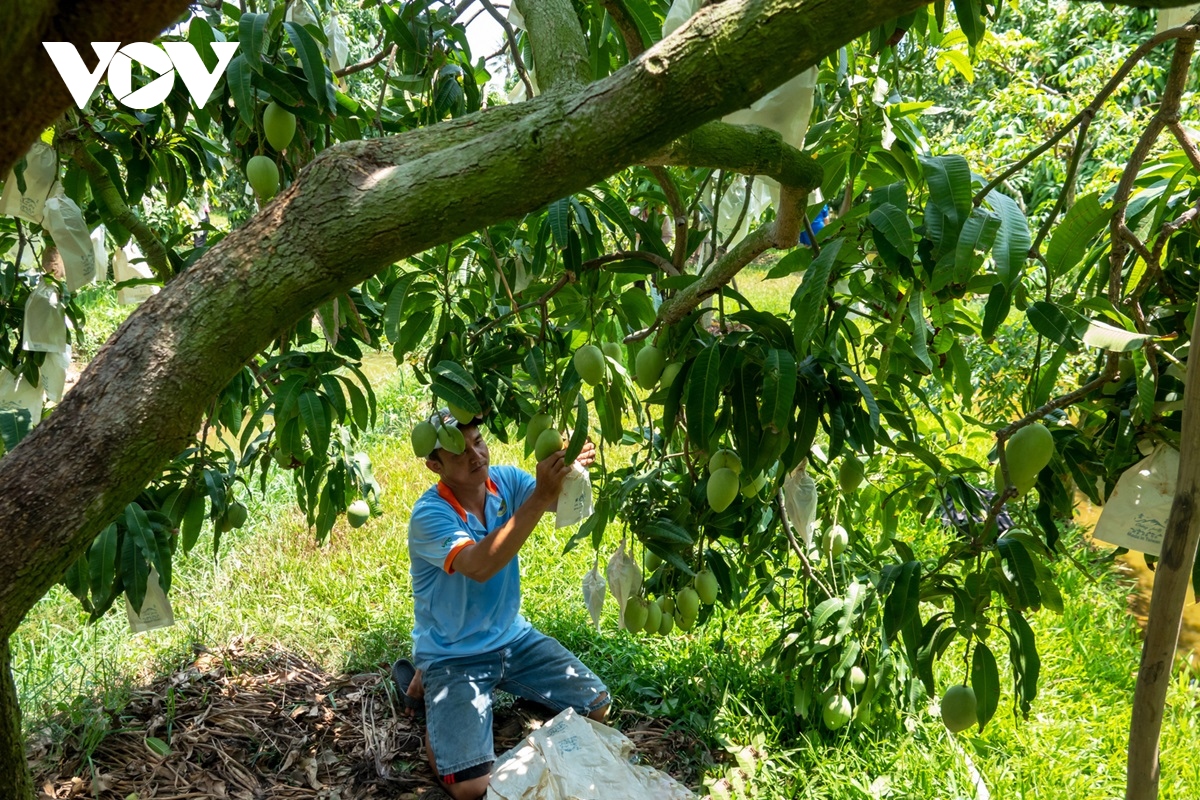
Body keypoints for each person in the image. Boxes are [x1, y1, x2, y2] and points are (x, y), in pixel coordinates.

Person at [397, 411, 609, 800]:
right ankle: (436, 699)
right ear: (435, 466)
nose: (476, 455)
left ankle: (468, 686)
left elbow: (557, 501)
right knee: (470, 787)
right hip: (454, 655)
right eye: (459, 452)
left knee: (597, 706)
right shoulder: (430, 515)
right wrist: (540, 495)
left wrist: (569, 468)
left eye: (478, 442)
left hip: (513, 639)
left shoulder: (506, 481)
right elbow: (480, 566)